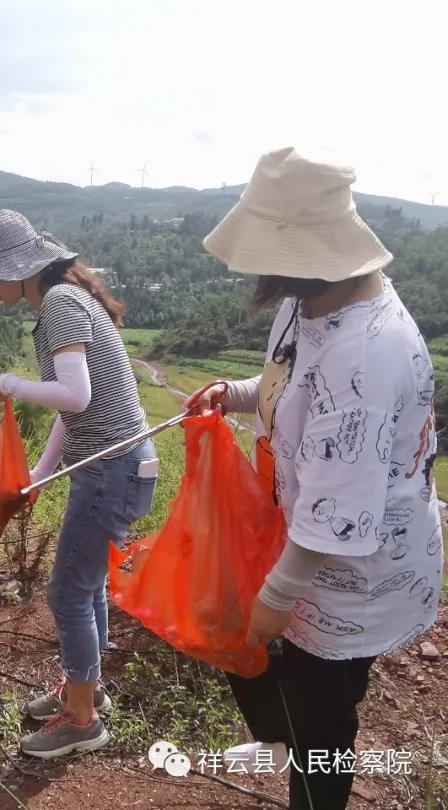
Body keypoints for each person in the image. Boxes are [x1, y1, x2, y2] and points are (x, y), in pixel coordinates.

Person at [186, 147, 443, 810]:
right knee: (274, 677)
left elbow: (340, 514)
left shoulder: (368, 349)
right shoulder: (315, 299)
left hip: (352, 578)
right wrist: (234, 393)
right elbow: (292, 380)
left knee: (323, 720)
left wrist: (273, 602)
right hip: (306, 546)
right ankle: (285, 741)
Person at [0, 209, 158, 758]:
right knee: (86, 585)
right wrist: (41, 474)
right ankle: (84, 690)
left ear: (21, 269)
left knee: (66, 591)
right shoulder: (65, 303)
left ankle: (82, 720)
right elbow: (72, 414)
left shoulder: (61, 307)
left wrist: (9, 384)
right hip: (119, 465)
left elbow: (76, 397)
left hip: (111, 471)